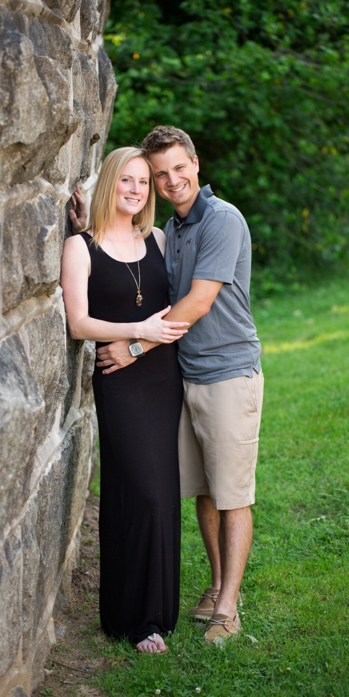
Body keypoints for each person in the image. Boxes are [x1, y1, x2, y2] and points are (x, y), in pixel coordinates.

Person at [90, 126, 263, 646]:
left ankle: (228, 609)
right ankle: (214, 588)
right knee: (206, 491)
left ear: (196, 163)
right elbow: (126, 251)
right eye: (159, 174)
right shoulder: (174, 227)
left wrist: (133, 347)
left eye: (177, 168)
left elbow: (198, 302)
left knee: (232, 494)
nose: (170, 180)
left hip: (227, 373)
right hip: (185, 375)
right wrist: (88, 222)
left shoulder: (222, 220)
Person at [59, 147, 190, 654]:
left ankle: (154, 614)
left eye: (142, 182)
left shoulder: (155, 238)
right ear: (109, 183)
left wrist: (144, 341)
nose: (136, 190)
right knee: (138, 491)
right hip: (118, 381)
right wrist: (138, 330)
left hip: (162, 380)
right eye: (126, 181)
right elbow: (78, 323)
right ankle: (134, 619)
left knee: (162, 492)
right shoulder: (81, 247)